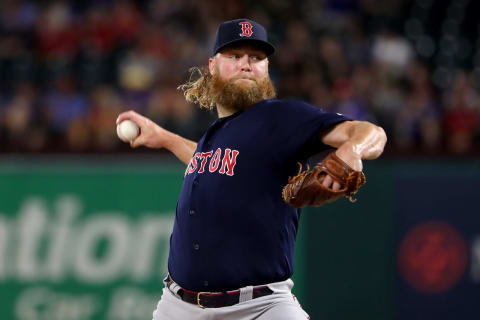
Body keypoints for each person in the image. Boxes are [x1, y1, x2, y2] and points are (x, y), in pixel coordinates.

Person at [117, 19, 387, 320]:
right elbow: (208, 162)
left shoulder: (282, 118)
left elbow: (370, 132)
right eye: (234, 56)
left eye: (256, 58)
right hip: (178, 307)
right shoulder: (215, 134)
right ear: (213, 65)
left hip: (261, 307)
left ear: (266, 68)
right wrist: (164, 138)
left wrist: (353, 150)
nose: (246, 64)